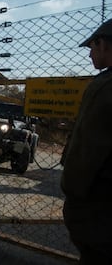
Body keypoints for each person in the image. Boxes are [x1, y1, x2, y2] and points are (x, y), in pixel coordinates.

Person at [60, 18, 112, 264]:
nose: (90, 54)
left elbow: (85, 152)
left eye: (91, 47)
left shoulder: (103, 87)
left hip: (100, 208)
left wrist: (71, 195)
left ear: (102, 44)